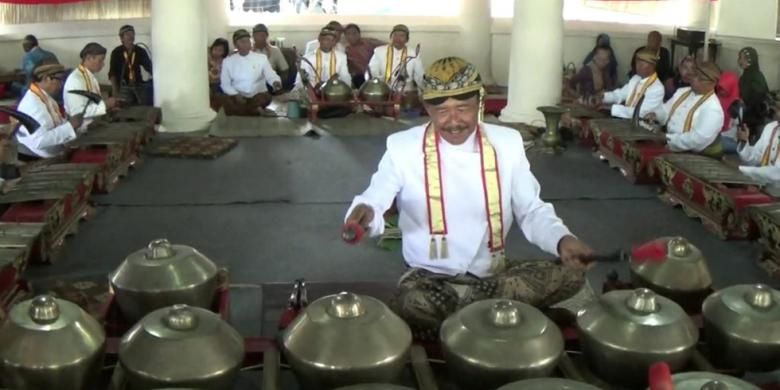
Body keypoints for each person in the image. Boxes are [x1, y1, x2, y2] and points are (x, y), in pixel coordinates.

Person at [344, 56, 594, 339]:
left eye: (463, 108)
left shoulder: (507, 143)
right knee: (413, 303)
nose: (453, 121)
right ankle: (503, 316)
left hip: (492, 275)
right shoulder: (403, 147)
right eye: (442, 110)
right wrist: (365, 211)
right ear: (427, 108)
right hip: (430, 280)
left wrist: (562, 239)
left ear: (479, 102)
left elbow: (531, 209)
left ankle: (476, 319)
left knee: (573, 275)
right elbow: (376, 196)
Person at [645, 62, 724, 158]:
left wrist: (668, 138)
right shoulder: (682, 92)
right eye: (695, 75)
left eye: (701, 79)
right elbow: (665, 111)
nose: (695, 80)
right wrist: (655, 115)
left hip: (695, 156)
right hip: (670, 144)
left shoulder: (713, 108)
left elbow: (697, 140)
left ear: (713, 83)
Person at [16, 62, 82, 160]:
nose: (61, 85)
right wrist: (70, 126)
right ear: (47, 78)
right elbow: (39, 140)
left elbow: (57, 123)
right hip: (35, 157)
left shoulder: (44, 97)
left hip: (50, 153)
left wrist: (78, 125)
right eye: (59, 80)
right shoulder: (33, 104)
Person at [220, 29, 282, 116]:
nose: (246, 44)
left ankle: (247, 111)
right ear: (235, 44)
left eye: (248, 41)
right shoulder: (228, 61)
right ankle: (254, 110)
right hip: (238, 95)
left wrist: (275, 82)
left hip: (257, 95)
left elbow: (270, 75)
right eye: (242, 42)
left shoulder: (261, 58)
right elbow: (225, 84)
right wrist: (236, 94)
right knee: (227, 100)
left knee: (266, 97)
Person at [595, 48, 664, 120]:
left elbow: (641, 112)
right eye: (637, 63)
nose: (638, 66)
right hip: (626, 121)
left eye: (641, 64)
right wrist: (602, 97)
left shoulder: (657, 88)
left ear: (652, 66)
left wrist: (611, 109)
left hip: (641, 126)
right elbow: (620, 94)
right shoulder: (636, 78)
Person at [64, 42, 118, 132]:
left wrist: (108, 110)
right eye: (100, 60)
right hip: (81, 132)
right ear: (88, 58)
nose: (103, 64)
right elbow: (78, 113)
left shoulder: (90, 77)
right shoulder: (76, 80)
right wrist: (106, 105)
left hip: (92, 126)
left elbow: (93, 104)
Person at [736, 97, 780, 193]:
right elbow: (754, 159)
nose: (777, 113)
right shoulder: (771, 127)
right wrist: (744, 141)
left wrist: (744, 170)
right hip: (763, 186)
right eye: (778, 108)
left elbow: (777, 172)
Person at [368, 24, 424, 94]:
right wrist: (378, 83)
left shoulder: (413, 53)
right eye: (395, 35)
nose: (397, 39)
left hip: (405, 91)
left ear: (407, 39)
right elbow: (372, 71)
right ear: (391, 37)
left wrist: (421, 90)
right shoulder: (379, 51)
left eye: (402, 36)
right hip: (383, 89)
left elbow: (419, 75)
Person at [109, 25, 153, 106]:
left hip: (138, 85)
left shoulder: (140, 51)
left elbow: (149, 67)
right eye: (128, 34)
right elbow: (112, 72)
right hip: (122, 87)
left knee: (143, 107)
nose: (131, 36)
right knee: (124, 110)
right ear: (121, 38)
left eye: (132, 34)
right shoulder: (116, 52)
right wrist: (115, 90)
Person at [738, 47, 770, 137]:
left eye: (744, 59)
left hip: (756, 118)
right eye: (740, 58)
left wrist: (744, 104)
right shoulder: (744, 77)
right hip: (746, 117)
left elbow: (759, 98)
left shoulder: (757, 77)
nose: (741, 61)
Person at [344, 23, 384, 88]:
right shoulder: (346, 50)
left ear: (359, 34)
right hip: (360, 77)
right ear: (345, 36)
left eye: (354, 33)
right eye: (348, 34)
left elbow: (388, 46)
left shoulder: (369, 42)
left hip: (376, 73)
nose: (351, 36)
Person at [716, 71, 742, 153]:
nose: (721, 92)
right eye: (719, 89)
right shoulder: (715, 99)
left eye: (724, 89)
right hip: (714, 135)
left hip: (728, 138)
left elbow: (737, 130)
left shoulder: (737, 105)